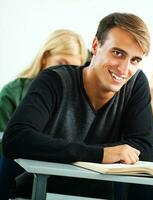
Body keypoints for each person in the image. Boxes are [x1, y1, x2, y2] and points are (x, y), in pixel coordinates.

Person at [2, 12, 153, 199]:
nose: (124, 69)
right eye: (117, 53)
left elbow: (144, 150)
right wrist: (100, 154)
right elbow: (16, 139)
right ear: (96, 45)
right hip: (39, 194)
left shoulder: (135, 83)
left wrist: (84, 152)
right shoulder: (54, 80)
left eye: (135, 60)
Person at [0, 28, 88, 200]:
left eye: (72, 67)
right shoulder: (13, 92)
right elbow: (5, 144)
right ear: (45, 57)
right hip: (17, 166)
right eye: (61, 63)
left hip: (63, 169)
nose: (65, 71)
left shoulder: (77, 99)